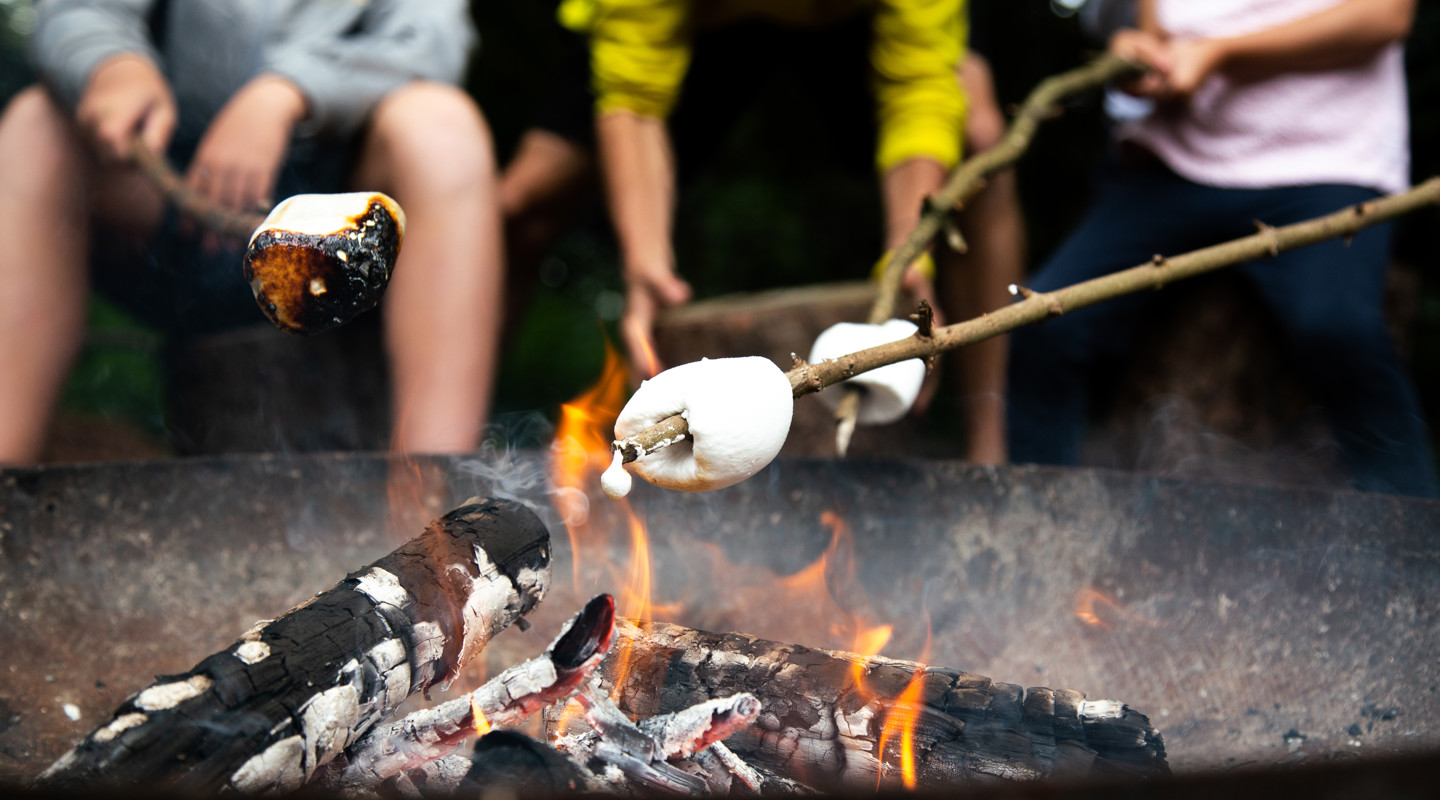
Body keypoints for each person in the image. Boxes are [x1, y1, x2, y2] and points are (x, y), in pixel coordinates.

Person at [500, 0, 1025, 464]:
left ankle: (987, 451)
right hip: (701, 16)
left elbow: (919, 86)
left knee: (980, 139)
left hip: (853, 16)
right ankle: (450, 448)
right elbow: (633, 99)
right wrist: (645, 259)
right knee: (521, 201)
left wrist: (911, 254)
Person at [0, 0, 505, 464]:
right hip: (166, 189)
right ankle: (8, 481)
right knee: (35, 126)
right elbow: (78, 11)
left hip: (352, 217)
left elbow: (432, 42)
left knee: (444, 128)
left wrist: (286, 92)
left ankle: (436, 490)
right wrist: (111, 63)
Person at [1005, 0, 1438, 497]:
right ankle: (1044, 521)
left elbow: (1385, 16)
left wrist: (1221, 53)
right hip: (1176, 163)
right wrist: (1139, 57)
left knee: (1337, 326)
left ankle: (1417, 543)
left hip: (1330, 164)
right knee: (1045, 319)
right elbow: (1160, 40)